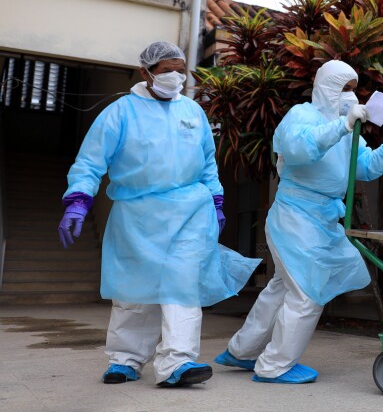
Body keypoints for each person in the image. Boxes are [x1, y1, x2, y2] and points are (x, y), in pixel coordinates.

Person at [57, 41, 260, 387]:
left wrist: (216, 201)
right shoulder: (121, 112)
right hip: (137, 215)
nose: (176, 77)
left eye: (180, 69)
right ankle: (125, 359)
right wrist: (78, 199)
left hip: (189, 213)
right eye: (167, 70)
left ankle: (177, 364)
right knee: (133, 290)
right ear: (146, 73)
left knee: (181, 286)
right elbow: (91, 160)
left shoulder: (192, 112)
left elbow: (208, 163)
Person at [214, 60, 383, 384]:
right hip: (294, 217)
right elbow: (299, 149)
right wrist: (343, 126)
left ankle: (241, 351)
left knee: (280, 289)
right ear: (326, 88)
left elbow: (363, 168)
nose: (350, 96)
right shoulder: (302, 117)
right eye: (343, 88)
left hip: (320, 220)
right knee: (307, 293)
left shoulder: (349, 126)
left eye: (353, 89)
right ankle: (274, 366)